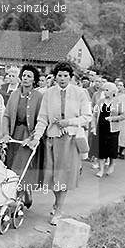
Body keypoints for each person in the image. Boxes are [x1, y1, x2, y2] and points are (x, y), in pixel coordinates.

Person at [28, 61, 92, 226]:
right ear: (55, 77)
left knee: (64, 176)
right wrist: (36, 137)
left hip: (70, 140)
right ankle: (57, 204)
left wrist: (69, 122)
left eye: (65, 76)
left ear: (70, 77)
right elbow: (42, 118)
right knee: (53, 176)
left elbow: (87, 117)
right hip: (52, 139)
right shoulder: (49, 94)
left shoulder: (80, 93)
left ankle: (58, 210)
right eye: (59, 75)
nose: (62, 78)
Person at [1, 64, 43, 205]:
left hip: (28, 134)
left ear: (34, 80)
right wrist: (6, 134)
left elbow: (41, 120)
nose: (25, 78)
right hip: (14, 133)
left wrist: (31, 138)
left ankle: (24, 191)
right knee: (11, 164)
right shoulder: (14, 94)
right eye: (24, 75)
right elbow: (6, 115)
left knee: (22, 164)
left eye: (29, 76)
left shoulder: (39, 96)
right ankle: (12, 194)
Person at [91, 82, 124, 178]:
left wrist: (112, 119)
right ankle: (101, 169)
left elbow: (123, 116)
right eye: (104, 90)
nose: (105, 92)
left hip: (113, 129)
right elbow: (95, 115)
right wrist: (93, 127)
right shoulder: (100, 102)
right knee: (101, 149)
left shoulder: (118, 102)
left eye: (107, 90)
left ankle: (111, 164)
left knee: (112, 149)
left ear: (112, 91)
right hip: (101, 128)